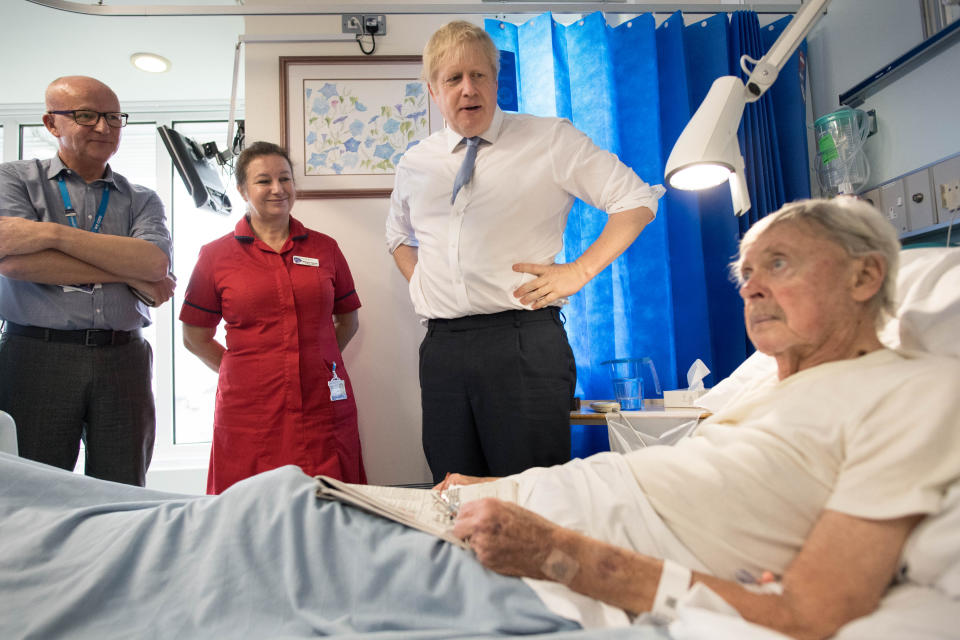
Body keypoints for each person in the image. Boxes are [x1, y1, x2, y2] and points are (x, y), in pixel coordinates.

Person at [3, 198, 957, 640]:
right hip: (495, 512)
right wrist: (502, 493)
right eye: (742, 269)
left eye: (777, 263)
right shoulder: (762, 386)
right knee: (247, 511)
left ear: (871, 275)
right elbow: (198, 325)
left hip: (543, 560)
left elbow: (813, 610)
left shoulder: (911, 393)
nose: (749, 285)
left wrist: (562, 555)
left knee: (238, 536)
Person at [386, 21, 664, 483]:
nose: (468, 89)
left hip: (522, 343)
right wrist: (422, 283)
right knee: (452, 494)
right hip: (443, 351)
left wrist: (578, 272)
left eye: (479, 76)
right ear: (433, 90)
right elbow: (397, 236)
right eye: (453, 79)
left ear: (496, 81)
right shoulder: (416, 162)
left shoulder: (550, 139)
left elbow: (636, 200)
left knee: (531, 496)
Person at [0, 75, 175, 486]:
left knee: (124, 486)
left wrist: (52, 234)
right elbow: (14, 264)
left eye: (114, 117)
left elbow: (152, 264)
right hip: (36, 354)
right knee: (34, 488)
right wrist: (125, 270)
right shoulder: (14, 180)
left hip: (123, 358)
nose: (104, 127)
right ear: (51, 123)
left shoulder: (142, 198)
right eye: (86, 115)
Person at [180, 141, 365, 494]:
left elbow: (348, 321)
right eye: (264, 181)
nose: (278, 189)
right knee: (251, 503)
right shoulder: (215, 256)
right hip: (250, 408)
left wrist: (318, 360)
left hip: (321, 398)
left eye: (285, 179)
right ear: (242, 190)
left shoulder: (325, 248)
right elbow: (194, 337)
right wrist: (243, 372)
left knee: (330, 503)